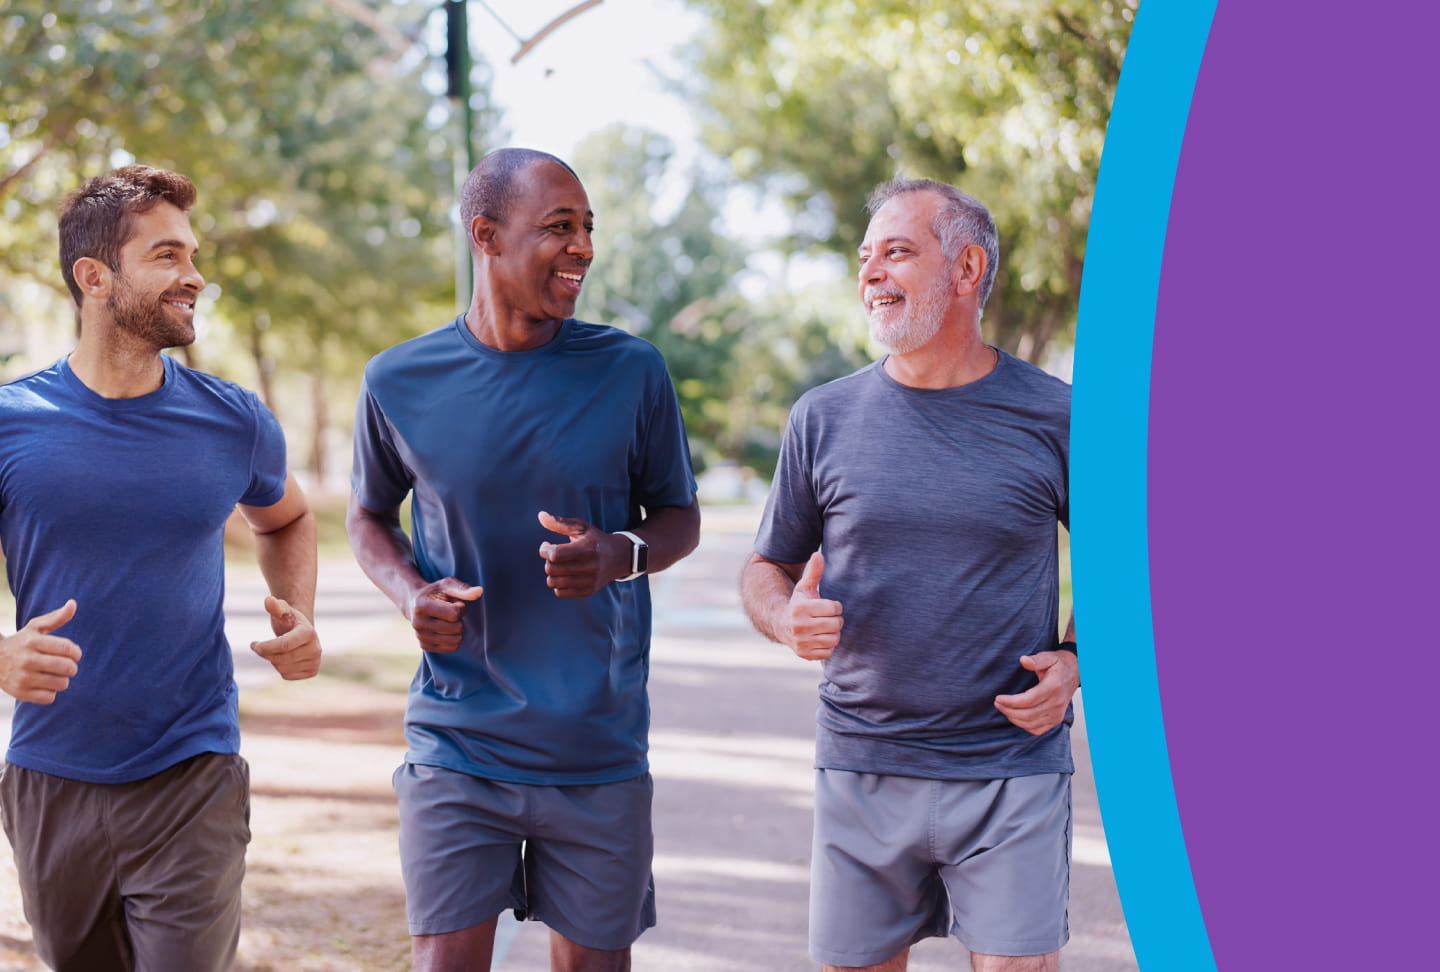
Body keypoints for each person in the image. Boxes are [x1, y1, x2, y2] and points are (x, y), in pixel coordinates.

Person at [348, 146, 700, 972]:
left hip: (597, 749)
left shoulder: (631, 371)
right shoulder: (398, 379)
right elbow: (368, 517)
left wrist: (620, 554)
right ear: (486, 235)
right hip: (456, 743)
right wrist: (408, 596)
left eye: (587, 229)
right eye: (558, 228)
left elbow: (679, 518)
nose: (582, 246)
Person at [740, 178, 1077, 972]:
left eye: (897, 252)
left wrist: (1076, 661)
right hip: (862, 762)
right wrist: (787, 617)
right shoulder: (822, 418)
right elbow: (766, 566)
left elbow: (1137, 570)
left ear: (966, 270)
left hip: (1010, 769)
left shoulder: (1057, 416)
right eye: (866, 258)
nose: (871, 274)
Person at [0, 164, 322, 971]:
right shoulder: (11, 424)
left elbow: (286, 518)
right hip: (50, 777)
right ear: (95, 277)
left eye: (194, 255)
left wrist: (298, 611)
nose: (196, 276)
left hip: (192, 771)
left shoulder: (233, 420)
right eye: (169, 256)